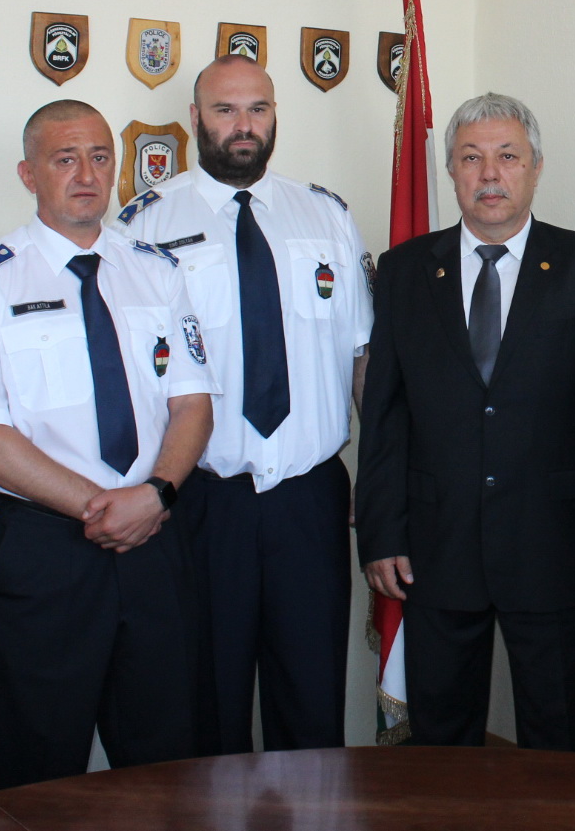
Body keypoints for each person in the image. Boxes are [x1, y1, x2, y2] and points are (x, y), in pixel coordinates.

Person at [0, 100, 219, 790]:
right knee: (36, 767)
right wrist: (105, 506)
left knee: (168, 761)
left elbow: (193, 404)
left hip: (154, 537)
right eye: (65, 159)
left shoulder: (156, 270)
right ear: (29, 174)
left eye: (98, 157)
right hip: (43, 551)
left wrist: (154, 495)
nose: (86, 174)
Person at [356, 92, 575, 751]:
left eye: (507, 156)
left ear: (535, 166)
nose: (489, 174)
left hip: (554, 545)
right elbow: (384, 415)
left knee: (558, 740)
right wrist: (380, 532)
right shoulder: (403, 271)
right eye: (471, 158)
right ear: (450, 170)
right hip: (434, 546)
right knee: (441, 745)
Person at [118, 55, 371, 753]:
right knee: (208, 703)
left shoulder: (325, 215)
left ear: (275, 115)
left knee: (312, 702)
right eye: (225, 110)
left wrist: (377, 470)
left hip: (309, 498)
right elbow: (138, 380)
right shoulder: (145, 224)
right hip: (205, 500)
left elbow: (361, 355)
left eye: (257, 109)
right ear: (195, 118)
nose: (243, 126)